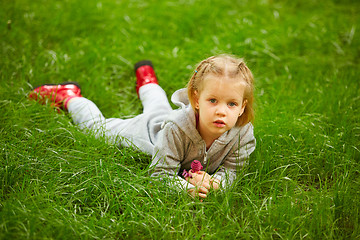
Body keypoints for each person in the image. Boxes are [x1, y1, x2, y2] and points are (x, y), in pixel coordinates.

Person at [29, 54, 256, 199]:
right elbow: (159, 174)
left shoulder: (242, 133)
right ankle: (70, 96)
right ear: (196, 99)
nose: (221, 111)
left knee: (158, 108)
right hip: (148, 132)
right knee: (95, 129)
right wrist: (186, 188)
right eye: (213, 100)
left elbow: (233, 170)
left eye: (232, 103)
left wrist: (216, 183)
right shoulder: (176, 129)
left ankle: (148, 81)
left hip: (165, 117)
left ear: (243, 106)